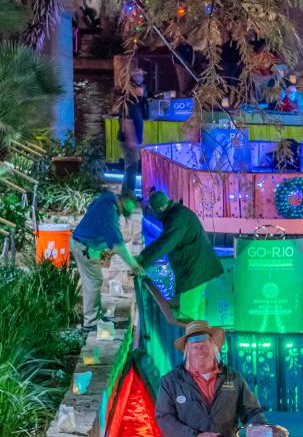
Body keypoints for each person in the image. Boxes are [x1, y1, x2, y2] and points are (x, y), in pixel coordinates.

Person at [139, 190, 223, 321]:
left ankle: (190, 338)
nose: (154, 214)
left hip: (194, 269)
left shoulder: (178, 217)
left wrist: (144, 261)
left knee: (188, 309)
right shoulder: (177, 213)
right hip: (198, 266)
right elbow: (163, 239)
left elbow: (167, 242)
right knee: (197, 305)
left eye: (154, 210)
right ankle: (200, 335)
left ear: (161, 208)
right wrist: (144, 255)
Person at [70, 189, 142, 329]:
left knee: (95, 280)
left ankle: (95, 317)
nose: (126, 214)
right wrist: (133, 265)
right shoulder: (109, 215)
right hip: (84, 246)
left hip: (85, 243)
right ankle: (90, 322)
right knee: (93, 282)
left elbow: (92, 209)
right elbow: (118, 244)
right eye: (129, 209)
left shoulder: (108, 198)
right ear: (125, 201)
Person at [117, 71, 149, 199]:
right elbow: (128, 123)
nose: (142, 90)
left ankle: (126, 193)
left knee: (130, 167)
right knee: (132, 168)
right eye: (140, 88)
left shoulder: (133, 102)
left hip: (129, 140)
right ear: (133, 89)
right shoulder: (130, 104)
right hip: (129, 141)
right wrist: (133, 141)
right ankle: (128, 195)